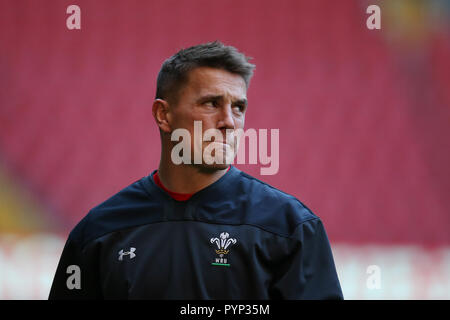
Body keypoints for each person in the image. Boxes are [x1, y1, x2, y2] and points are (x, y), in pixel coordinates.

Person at [49, 41, 343, 299]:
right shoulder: (99, 232)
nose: (229, 121)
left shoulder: (290, 228)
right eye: (211, 103)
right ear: (163, 115)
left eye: (238, 107)